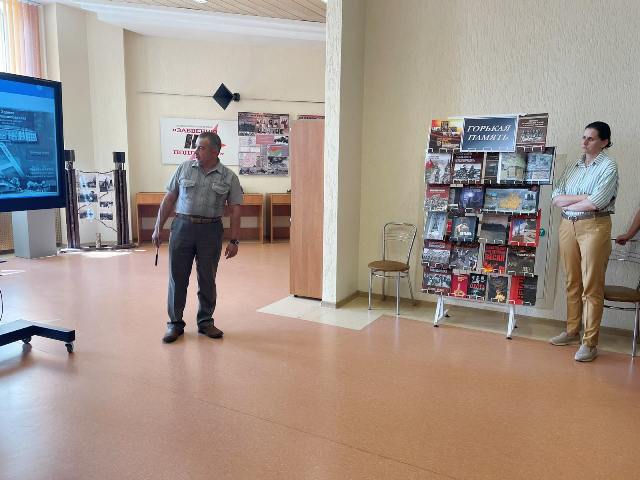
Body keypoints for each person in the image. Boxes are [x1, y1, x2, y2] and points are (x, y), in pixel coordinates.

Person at [152, 131, 243, 343]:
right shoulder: (184, 168)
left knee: (207, 279)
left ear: (215, 151)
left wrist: (234, 240)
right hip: (182, 228)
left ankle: (205, 322)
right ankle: (175, 324)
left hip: (211, 231)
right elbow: (169, 198)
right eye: (196, 147)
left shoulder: (229, 177)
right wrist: (158, 227)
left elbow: (235, 210)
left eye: (201, 148)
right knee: (177, 278)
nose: (196, 151)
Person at [550, 121, 618, 362]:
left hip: (594, 226)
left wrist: (575, 201)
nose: (584, 142)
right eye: (584, 137)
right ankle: (572, 331)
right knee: (572, 281)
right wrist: (582, 198)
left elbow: (596, 202)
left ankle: (589, 343)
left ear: (604, 142)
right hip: (567, 225)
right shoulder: (574, 166)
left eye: (591, 138)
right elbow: (556, 197)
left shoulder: (609, 166)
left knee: (591, 286)